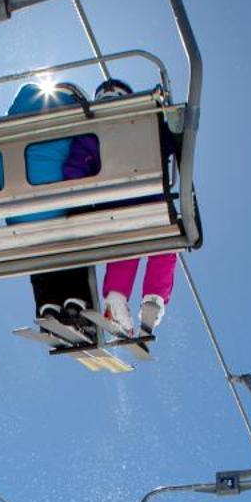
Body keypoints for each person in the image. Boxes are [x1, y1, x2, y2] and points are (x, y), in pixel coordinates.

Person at [0, 82, 98, 337]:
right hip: (61, 206)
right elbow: (87, 160)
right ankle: (77, 304)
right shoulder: (78, 115)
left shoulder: (7, 121)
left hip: (20, 214)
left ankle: (48, 306)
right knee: (75, 230)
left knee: (37, 243)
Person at [91, 77, 178, 338]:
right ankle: (154, 298)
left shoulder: (91, 130)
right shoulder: (148, 122)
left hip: (113, 206)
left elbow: (82, 165)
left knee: (124, 246)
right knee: (164, 243)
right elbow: (173, 143)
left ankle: (116, 298)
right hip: (152, 203)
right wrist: (167, 114)